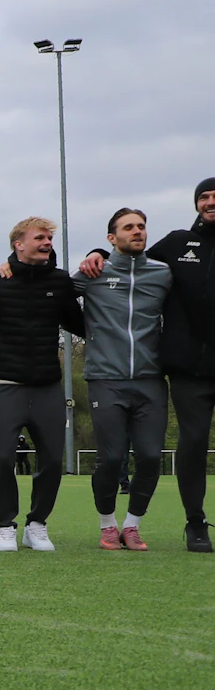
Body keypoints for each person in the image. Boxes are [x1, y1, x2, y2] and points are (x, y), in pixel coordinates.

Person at [103, 177, 215, 553]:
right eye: (204, 197)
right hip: (189, 371)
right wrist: (95, 253)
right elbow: (131, 255)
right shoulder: (179, 243)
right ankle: (195, 523)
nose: (210, 202)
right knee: (194, 442)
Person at [0, 217, 83, 551]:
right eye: (40, 237)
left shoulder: (61, 281)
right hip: (5, 385)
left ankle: (36, 524)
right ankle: (4, 525)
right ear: (18, 244)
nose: (47, 242)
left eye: (50, 237)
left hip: (48, 386)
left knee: (52, 460)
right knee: (4, 458)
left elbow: (80, 324)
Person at [71, 208, 172, 550]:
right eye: (128, 227)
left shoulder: (162, 274)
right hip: (105, 379)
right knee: (111, 458)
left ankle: (132, 525)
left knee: (148, 456)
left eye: (142, 226)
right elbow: (50, 293)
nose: (137, 231)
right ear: (112, 238)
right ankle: (107, 525)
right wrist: (90, 256)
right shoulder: (94, 272)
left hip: (151, 380)